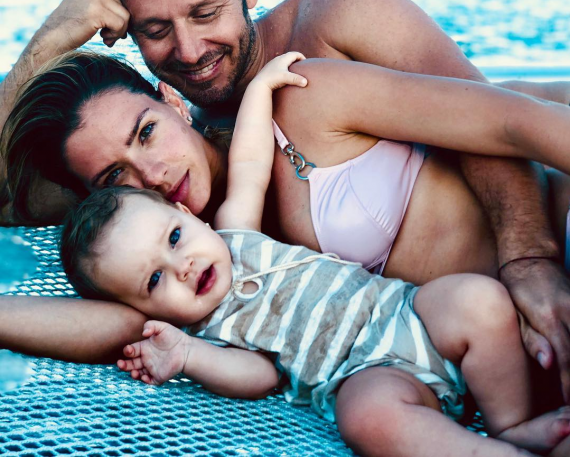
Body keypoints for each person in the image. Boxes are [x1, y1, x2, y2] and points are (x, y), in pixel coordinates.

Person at [1, 0, 570, 391]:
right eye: (156, 29)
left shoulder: (318, 47)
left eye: (205, 12)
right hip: (489, 338)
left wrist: (530, 260)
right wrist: (52, 38)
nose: (190, 50)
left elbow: (502, 122)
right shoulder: (149, 221)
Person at [58, 54, 570, 456]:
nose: (183, 267)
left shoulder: (236, 235)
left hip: (404, 313)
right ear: (142, 307)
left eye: (174, 240)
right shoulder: (208, 331)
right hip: (365, 375)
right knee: (365, 420)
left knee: (479, 300)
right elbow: (262, 376)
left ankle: (513, 424)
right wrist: (188, 356)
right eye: (155, 281)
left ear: (187, 216)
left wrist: (260, 91)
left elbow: (251, 162)